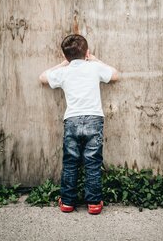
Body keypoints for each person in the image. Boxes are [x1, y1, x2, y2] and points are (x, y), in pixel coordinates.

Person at [39, 34, 119, 214]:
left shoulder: (64, 71)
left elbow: (42, 77)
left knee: (70, 162)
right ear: (87, 53)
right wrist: (96, 59)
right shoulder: (94, 67)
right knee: (92, 162)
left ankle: (67, 202)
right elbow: (115, 75)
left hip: (72, 120)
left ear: (66, 56)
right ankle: (94, 203)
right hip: (94, 119)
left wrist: (63, 63)